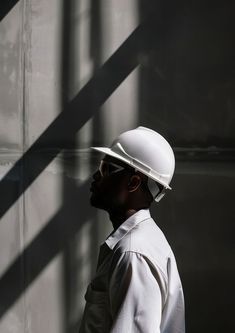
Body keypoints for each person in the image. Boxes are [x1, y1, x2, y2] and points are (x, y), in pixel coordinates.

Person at [79, 126, 185, 333]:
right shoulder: (138, 243)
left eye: (106, 168)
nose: (96, 175)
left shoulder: (133, 253)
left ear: (134, 182)